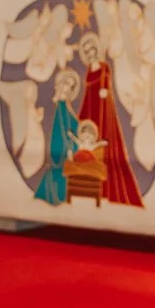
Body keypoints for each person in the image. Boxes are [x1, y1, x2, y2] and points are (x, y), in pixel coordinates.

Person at [75, 32, 145, 208]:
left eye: (91, 49)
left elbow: (105, 88)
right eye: (86, 50)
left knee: (107, 149)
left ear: (96, 50)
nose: (90, 52)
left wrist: (104, 92)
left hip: (104, 110)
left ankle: (109, 189)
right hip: (91, 110)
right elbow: (87, 95)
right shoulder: (88, 70)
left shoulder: (105, 67)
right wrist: (81, 118)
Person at [34, 68, 82, 206]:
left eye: (71, 86)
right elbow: (59, 130)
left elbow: (71, 127)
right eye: (66, 83)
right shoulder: (60, 107)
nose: (67, 88)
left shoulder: (65, 108)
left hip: (66, 149)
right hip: (59, 149)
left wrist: (71, 145)